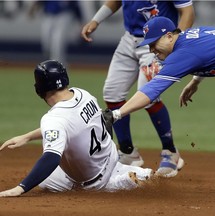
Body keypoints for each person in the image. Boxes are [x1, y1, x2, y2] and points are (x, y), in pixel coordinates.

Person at [103, 16, 215, 199]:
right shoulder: (189, 37)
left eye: (154, 43)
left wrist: (118, 113)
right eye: (148, 45)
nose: (151, 49)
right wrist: (195, 81)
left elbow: (150, 91)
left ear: (169, 36)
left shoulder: (183, 53)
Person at [0, 60, 153, 197]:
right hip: (110, 157)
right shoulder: (82, 94)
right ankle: (129, 173)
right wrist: (27, 137)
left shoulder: (53, 119)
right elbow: (70, 126)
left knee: (46, 177)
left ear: (40, 89)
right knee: (46, 180)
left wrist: (20, 188)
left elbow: (51, 158)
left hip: (94, 181)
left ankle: (121, 182)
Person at [81, 0, 195, 178]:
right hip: (129, 39)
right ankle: (128, 152)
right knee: (112, 93)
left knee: (148, 94)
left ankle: (170, 151)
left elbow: (187, 12)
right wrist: (96, 20)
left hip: (158, 41)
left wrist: (174, 42)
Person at [28, 1, 84, 66]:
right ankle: (49, 68)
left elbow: (76, 5)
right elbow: (39, 1)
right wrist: (33, 8)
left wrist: (81, 21)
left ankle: (61, 70)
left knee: (57, 46)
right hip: (48, 15)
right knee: (46, 45)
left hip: (64, 16)